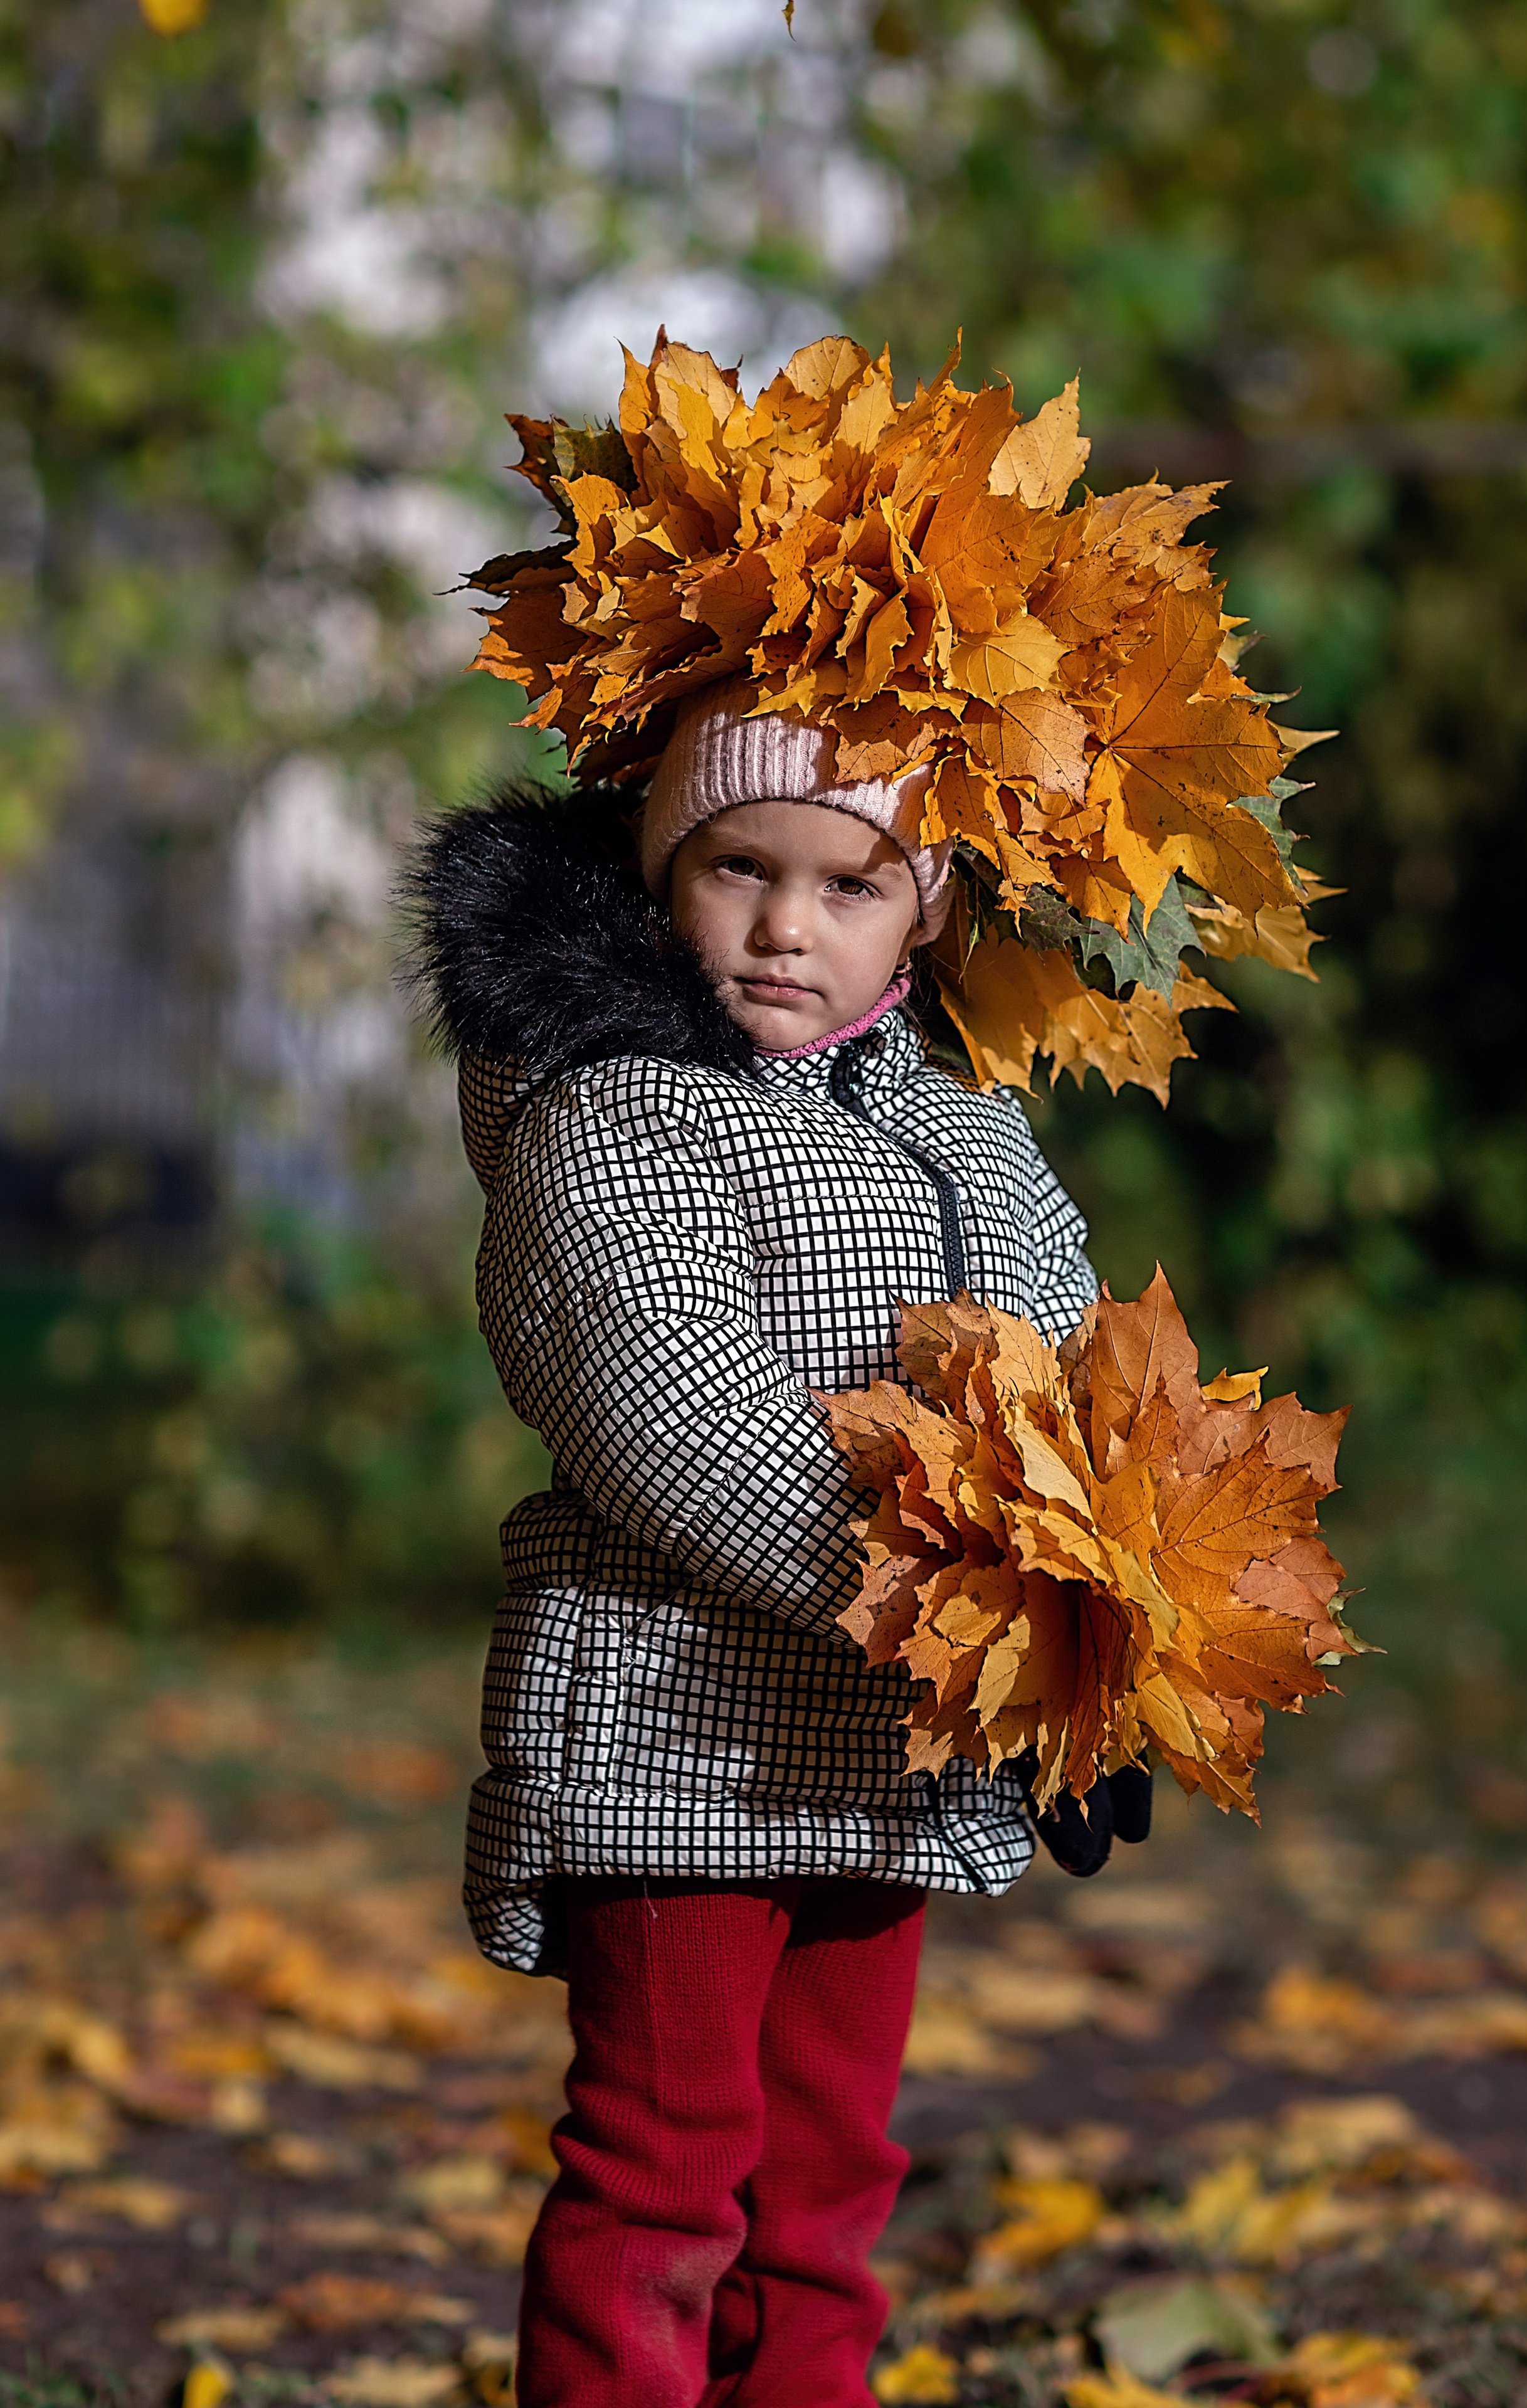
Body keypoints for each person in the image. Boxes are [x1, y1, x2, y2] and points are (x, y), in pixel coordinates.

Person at [411, 675, 1144, 2407]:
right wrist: (960, 1608)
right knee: (663, 2169)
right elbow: (668, 1411)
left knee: (828, 2182)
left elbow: (1069, 1369)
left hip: (890, 1759)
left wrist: (1093, 1640)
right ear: (664, 864)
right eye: (738, 866)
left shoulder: (965, 1124)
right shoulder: (611, 1109)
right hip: (676, 1739)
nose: (785, 927)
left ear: (925, 909)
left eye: (849, 884)